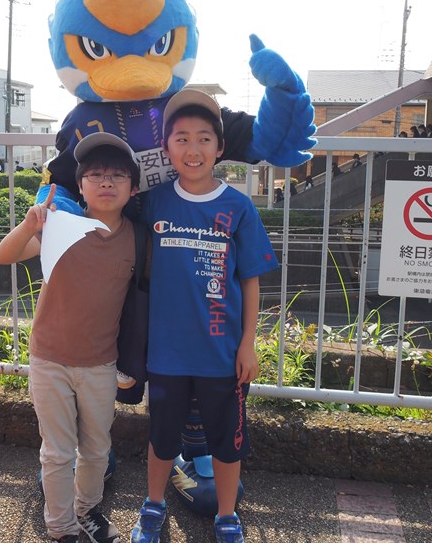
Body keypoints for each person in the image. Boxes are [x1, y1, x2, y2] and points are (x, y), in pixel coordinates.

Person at [131, 90, 278, 543]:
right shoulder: (154, 202)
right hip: (166, 354)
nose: (192, 149)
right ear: (167, 148)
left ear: (219, 148)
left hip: (222, 355)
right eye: (181, 139)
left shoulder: (238, 207)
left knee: (227, 443)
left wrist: (248, 343)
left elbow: (250, 280)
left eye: (203, 139)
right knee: (162, 439)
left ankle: (227, 516)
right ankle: (153, 506)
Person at [0, 131, 141, 543]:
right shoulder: (59, 225)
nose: (106, 182)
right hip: (50, 358)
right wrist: (29, 224)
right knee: (57, 452)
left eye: (117, 175)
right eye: (95, 175)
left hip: (101, 362)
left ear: (133, 188)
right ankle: (60, 528)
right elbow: (5, 255)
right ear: (80, 186)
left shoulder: (138, 237)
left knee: (97, 449)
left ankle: (87, 511)